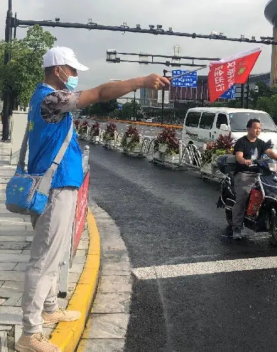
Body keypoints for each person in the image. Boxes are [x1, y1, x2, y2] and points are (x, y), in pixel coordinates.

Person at [16, 46, 169, 352]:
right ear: (58, 70)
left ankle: (48, 309)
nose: (74, 77)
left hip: (56, 184)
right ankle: (29, 334)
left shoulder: (44, 97)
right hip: (55, 187)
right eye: (72, 71)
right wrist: (140, 81)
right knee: (44, 260)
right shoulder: (52, 99)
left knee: (54, 254)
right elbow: (99, 93)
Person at [232, 118, 277, 240]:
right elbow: (239, 156)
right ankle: (236, 228)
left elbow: (269, 152)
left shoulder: (261, 143)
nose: (258, 130)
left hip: (260, 174)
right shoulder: (241, 142)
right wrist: (245, 161)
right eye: (255, 128)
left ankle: (268, 218)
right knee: (243, 196)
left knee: (271, 193)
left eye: (259, 128)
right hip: (244, 173)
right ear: (248, 128)